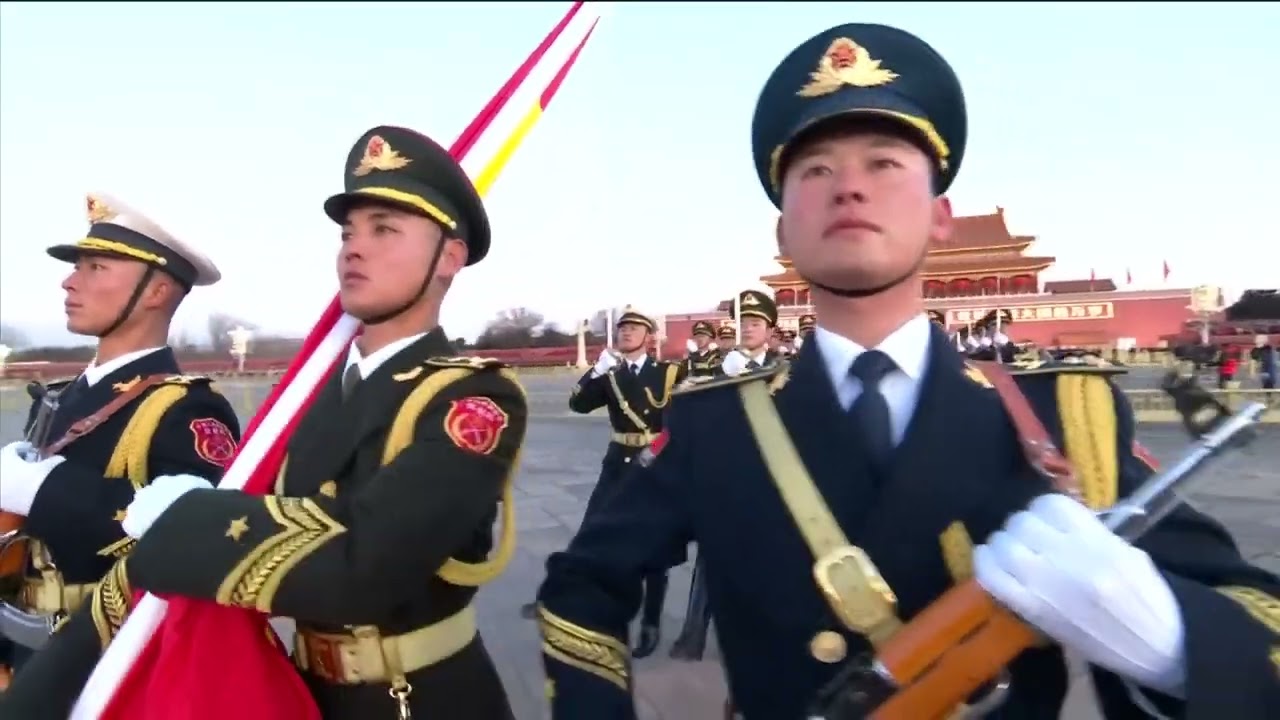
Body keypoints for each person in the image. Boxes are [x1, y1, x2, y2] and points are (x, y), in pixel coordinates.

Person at [534, 23, 1280, 719]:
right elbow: (581, 587)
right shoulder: (716, 421)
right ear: (783, 230)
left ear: (940, 217)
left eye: (884, 165)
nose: (849, 187)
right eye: (817, 170)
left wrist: (1168, 643)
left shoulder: (1064, 414)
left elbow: (1257, 610)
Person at [3, 126, 528, 719]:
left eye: (384, 229)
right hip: (302, 691)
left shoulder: (473, 397)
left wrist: (187, 519)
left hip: (419, 696)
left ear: (448, 259)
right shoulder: (309, 395)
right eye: (348, 232)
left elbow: (370, 566)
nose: (354, 248)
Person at [0, 194, 239, 686]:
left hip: (114, 665)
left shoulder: (189, 408)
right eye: (77, 267)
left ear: (156, 292)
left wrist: (43, 489)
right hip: (33, 658)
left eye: (95, 267)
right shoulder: (64, 398)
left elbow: (197, 534)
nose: (70, 281)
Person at [524, 309, 687, 657]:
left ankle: (651, 622)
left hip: (654, 465)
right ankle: (558, 599)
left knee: (655, 547)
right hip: (618, 464)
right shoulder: (610, 375)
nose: (626, 333)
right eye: (622, 328)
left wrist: (655, 450)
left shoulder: (670, 373)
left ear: (649, 336)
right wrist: (593, 373)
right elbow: (579, 405)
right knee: (590, 534)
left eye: (634, 328)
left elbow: (682, 419)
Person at [718, 289, 785, 375]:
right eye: (742, 324)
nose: (748, 329)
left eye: (755, 324)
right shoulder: (723, 368)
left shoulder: (780, 368)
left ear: (769, 331)